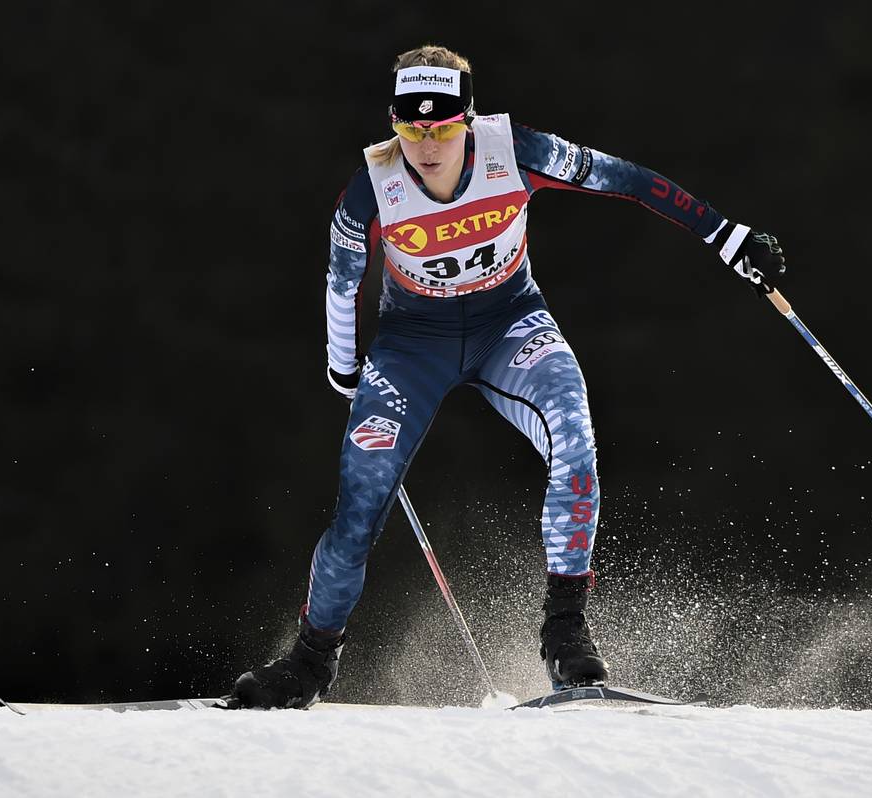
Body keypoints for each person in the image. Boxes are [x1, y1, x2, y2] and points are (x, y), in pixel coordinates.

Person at [225, 44, 787, 709]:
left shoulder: (515, 152)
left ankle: (565, 632)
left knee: (574, 440)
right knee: (359, 506)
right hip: (413, 346)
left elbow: (626, 179)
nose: (426, 142)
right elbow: (340, 281)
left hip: (510, 325)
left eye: (442, 124)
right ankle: (310, 662)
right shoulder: (370, 189)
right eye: (410, 124)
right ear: (393, 120)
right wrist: (344, 367)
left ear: (468, 117)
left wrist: (728, 236)